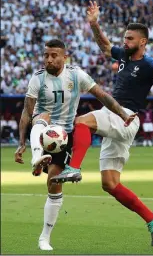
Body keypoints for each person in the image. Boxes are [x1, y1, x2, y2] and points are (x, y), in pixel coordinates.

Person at [51, 1, 153, 247]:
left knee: (81, 121)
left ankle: (73, 167)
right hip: (119, 120)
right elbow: (105, 46)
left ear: (143, 42)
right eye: (124, 38)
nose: (124, 42)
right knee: (110, 184)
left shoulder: (150, 64)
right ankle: (152, 219)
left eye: (129, 39)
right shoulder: (123, 56)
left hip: (126, 116)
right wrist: (94, 24)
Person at [14, 39, 137, 251]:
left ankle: (45, 237)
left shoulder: (75, 75)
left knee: (54, 181)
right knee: (41, 114)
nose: (49, 60)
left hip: (65, 136)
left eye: (54, 55)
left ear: (64, 56)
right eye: (46, 56)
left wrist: (122, 113)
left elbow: (102, 96)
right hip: (42, 131)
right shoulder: (37, 78)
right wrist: (21, 143)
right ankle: (37, 156)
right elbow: (27, 112)